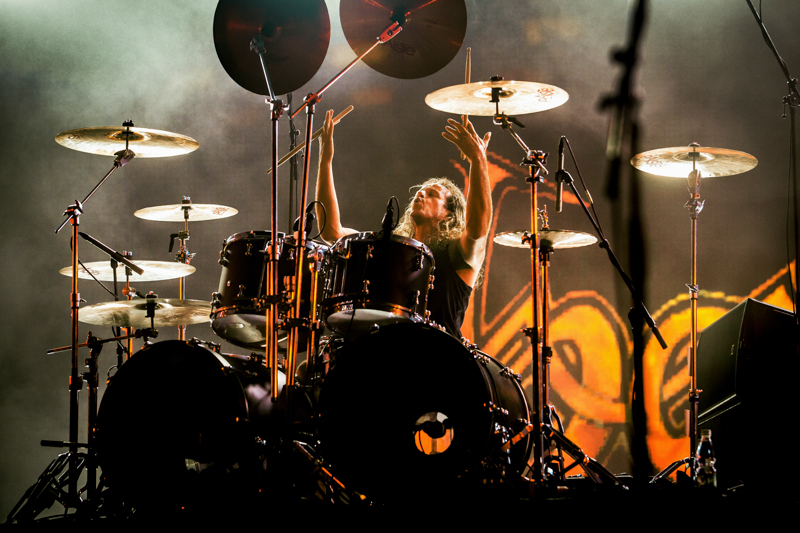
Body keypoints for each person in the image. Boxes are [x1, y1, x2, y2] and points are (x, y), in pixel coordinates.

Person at [315, 109, 492, 339]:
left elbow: (478, 229)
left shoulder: (457, 255)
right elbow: (331, 231)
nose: (420, 195)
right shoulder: (393, 249)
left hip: (443, 362)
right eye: (420, 192)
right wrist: (325, 160)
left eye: (431, 195)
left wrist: (478, 160)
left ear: (449, 215)